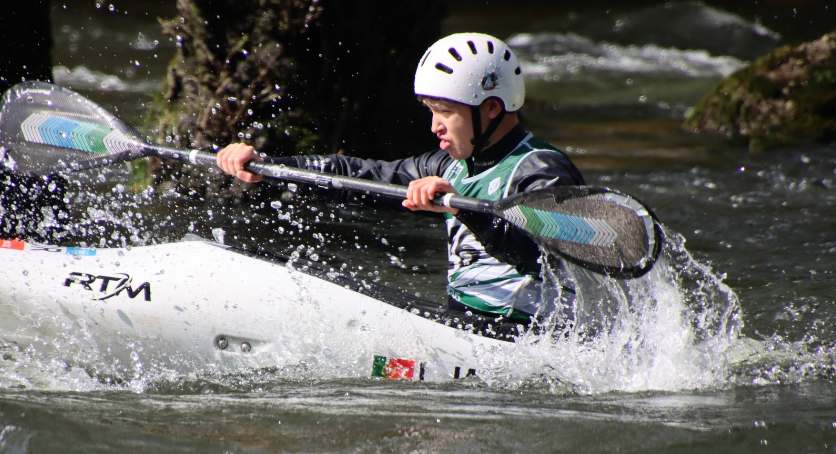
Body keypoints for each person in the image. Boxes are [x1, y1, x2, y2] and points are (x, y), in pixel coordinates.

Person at [216, 33, 585, 325]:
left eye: (445, 112)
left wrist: (462, 209)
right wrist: (270, 167)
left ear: (491, 108)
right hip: (466, 323)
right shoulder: (448, 165)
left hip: (525, 337)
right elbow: (361, 176)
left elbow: (544, 258)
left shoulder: (541, 169)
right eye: (431, 111)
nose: (435, 126)